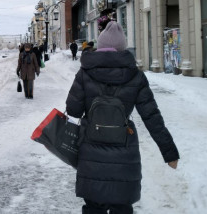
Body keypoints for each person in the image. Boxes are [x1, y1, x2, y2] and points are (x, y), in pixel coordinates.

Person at [65, 21, 179, 213]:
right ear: (122, 47)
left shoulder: (84, 73)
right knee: (122, 207)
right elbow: (152, 117)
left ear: (100, 46)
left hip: (91, 154)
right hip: (125, 154)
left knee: (93, 206)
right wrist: (170, 153)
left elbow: (74, 110)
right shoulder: (136, 76)